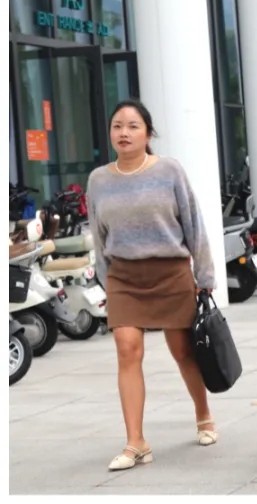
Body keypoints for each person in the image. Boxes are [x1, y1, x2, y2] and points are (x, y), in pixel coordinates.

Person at [86, 100, 217, 472]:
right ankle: (136, 442)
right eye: (117, 126)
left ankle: (204, 414)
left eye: (133, 126)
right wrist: (106, 281)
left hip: (170, 272)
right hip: (124, 277)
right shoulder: (98, 179)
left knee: (183, 351)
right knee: (127, 350)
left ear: (148, 132)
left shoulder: (169, 170)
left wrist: (205, 276)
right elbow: (98, 233)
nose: (124, 133)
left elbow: (194, 224)